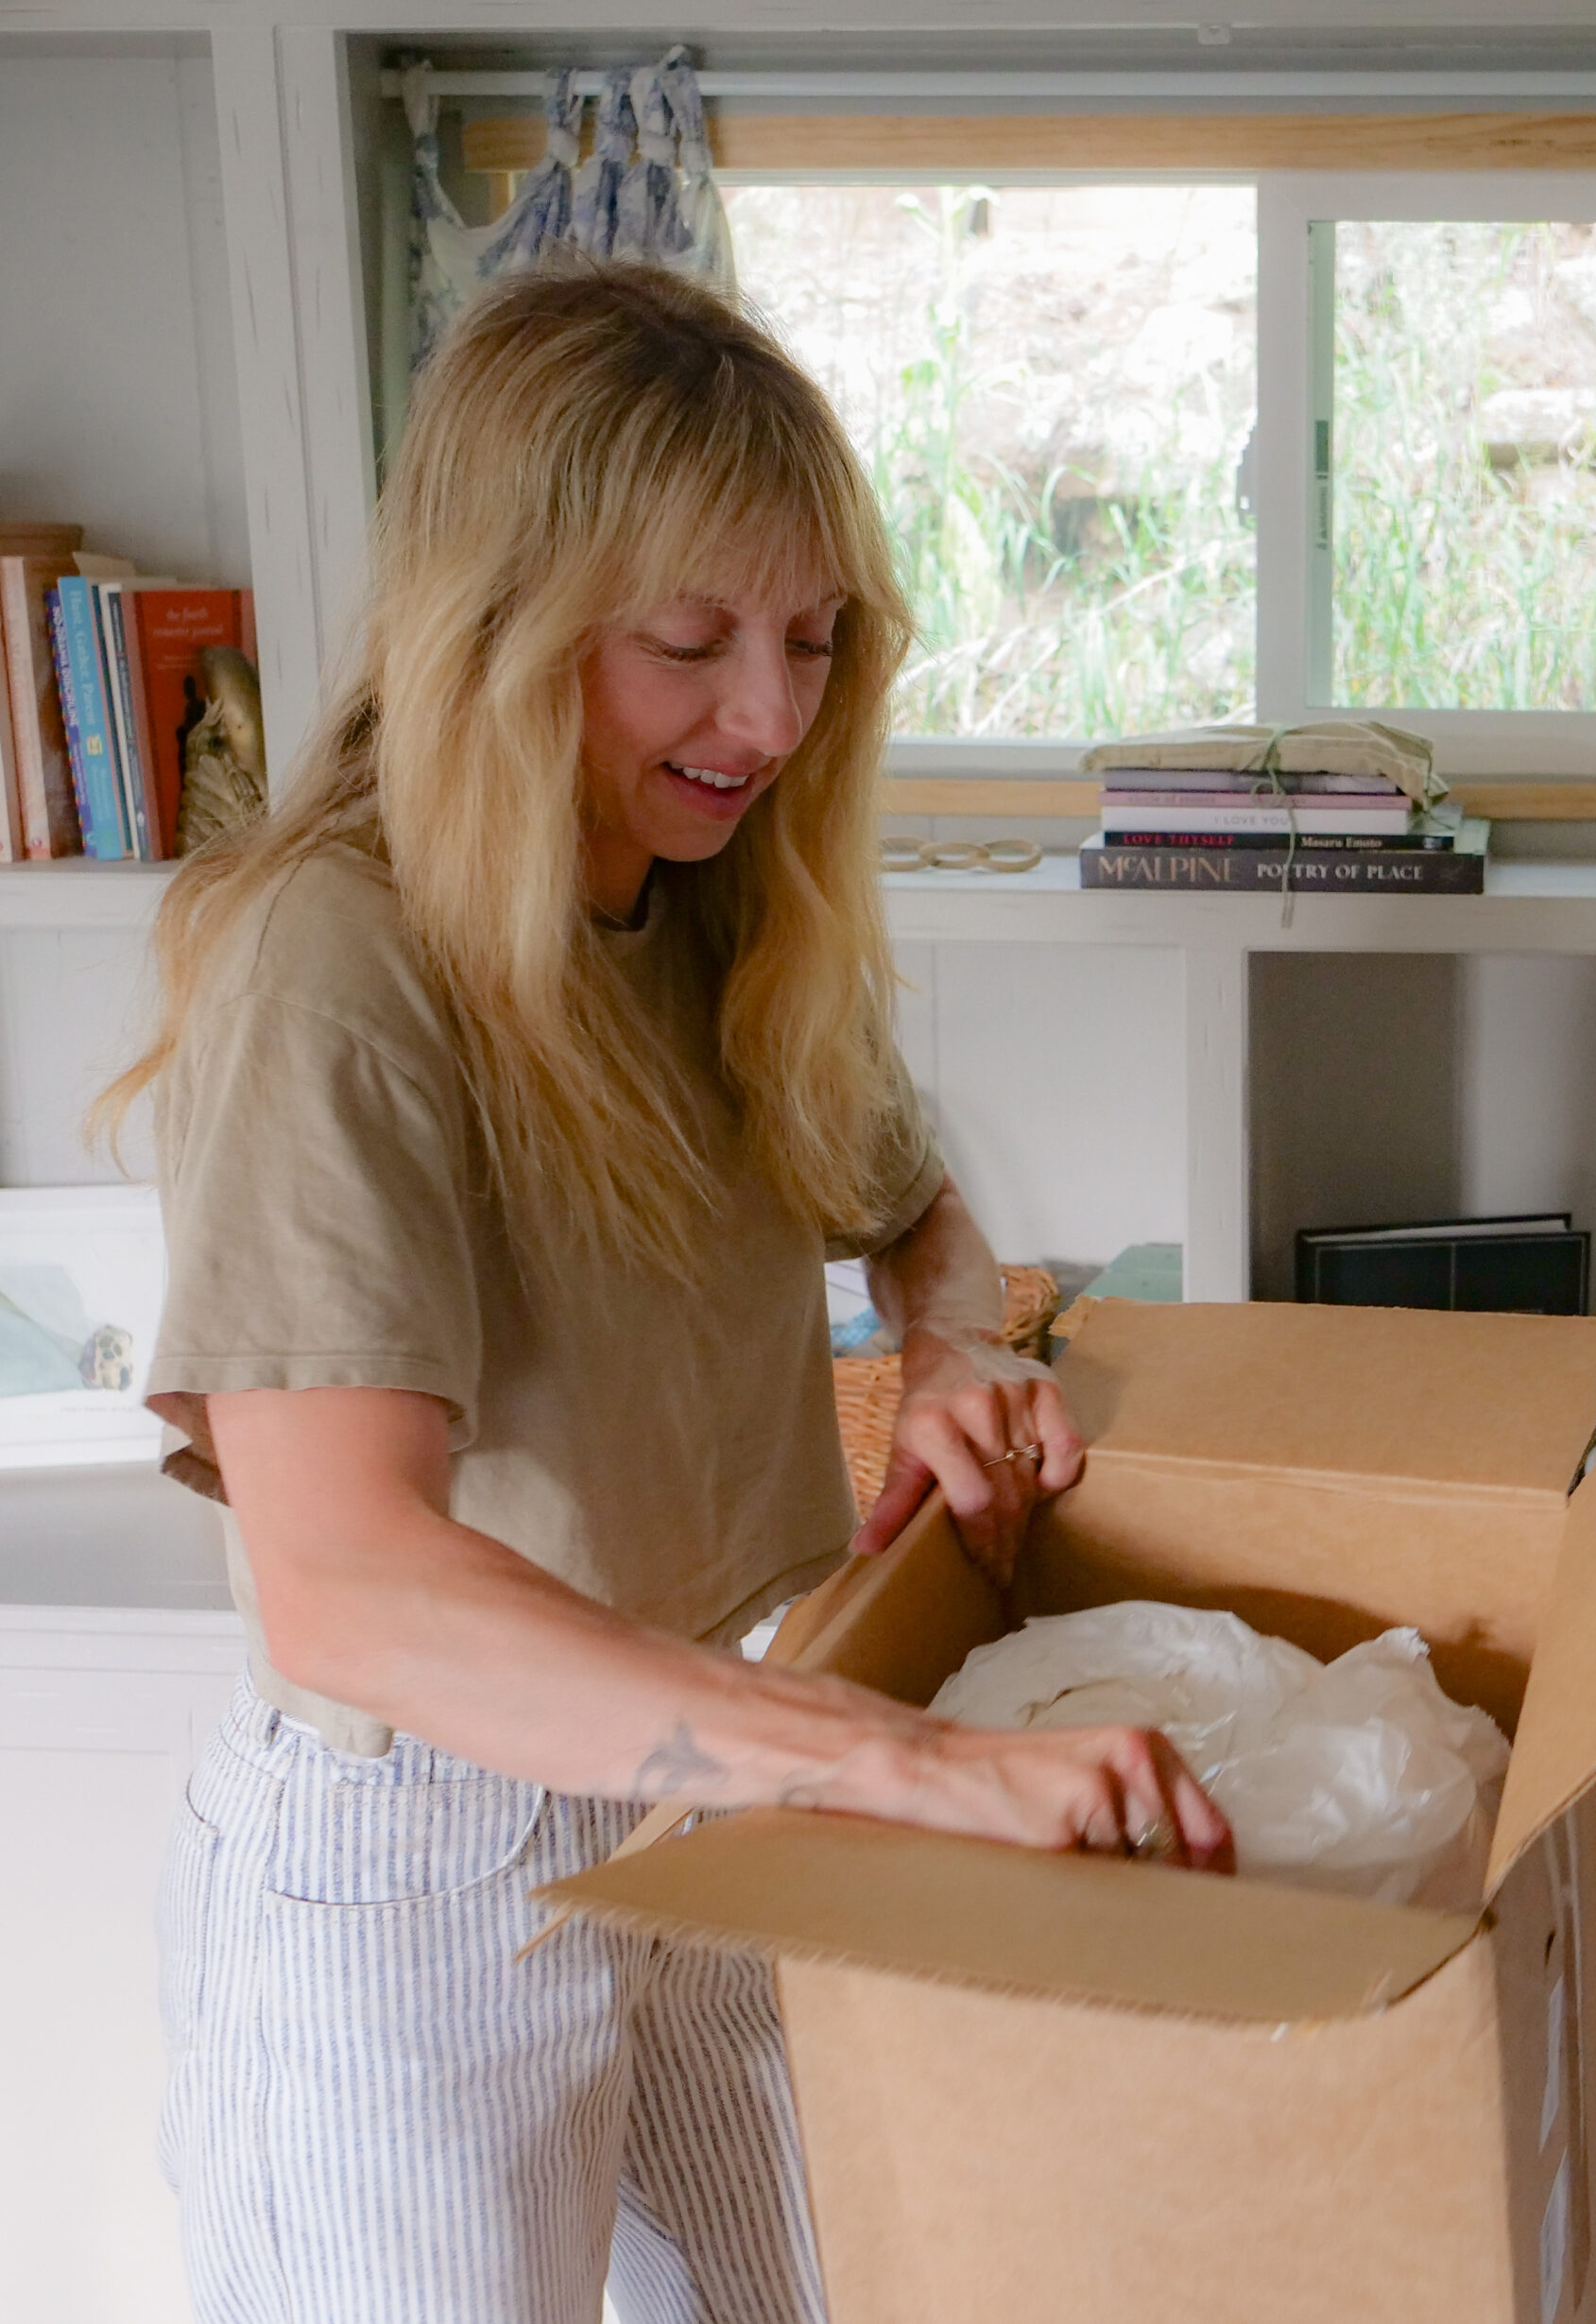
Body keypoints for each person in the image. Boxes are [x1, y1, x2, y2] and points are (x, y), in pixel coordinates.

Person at [103, 260, 1230, 2324]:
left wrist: (957, 1337)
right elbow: (345, 1581)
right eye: (690, 644)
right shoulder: (334, 967)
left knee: (824, 2285)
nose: (768, 720)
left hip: (707, 1769)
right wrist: (897, 1764)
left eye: (810, 643)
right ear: (502, 627)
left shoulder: (709, 900)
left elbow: (910, 1203)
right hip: (414, 1858)